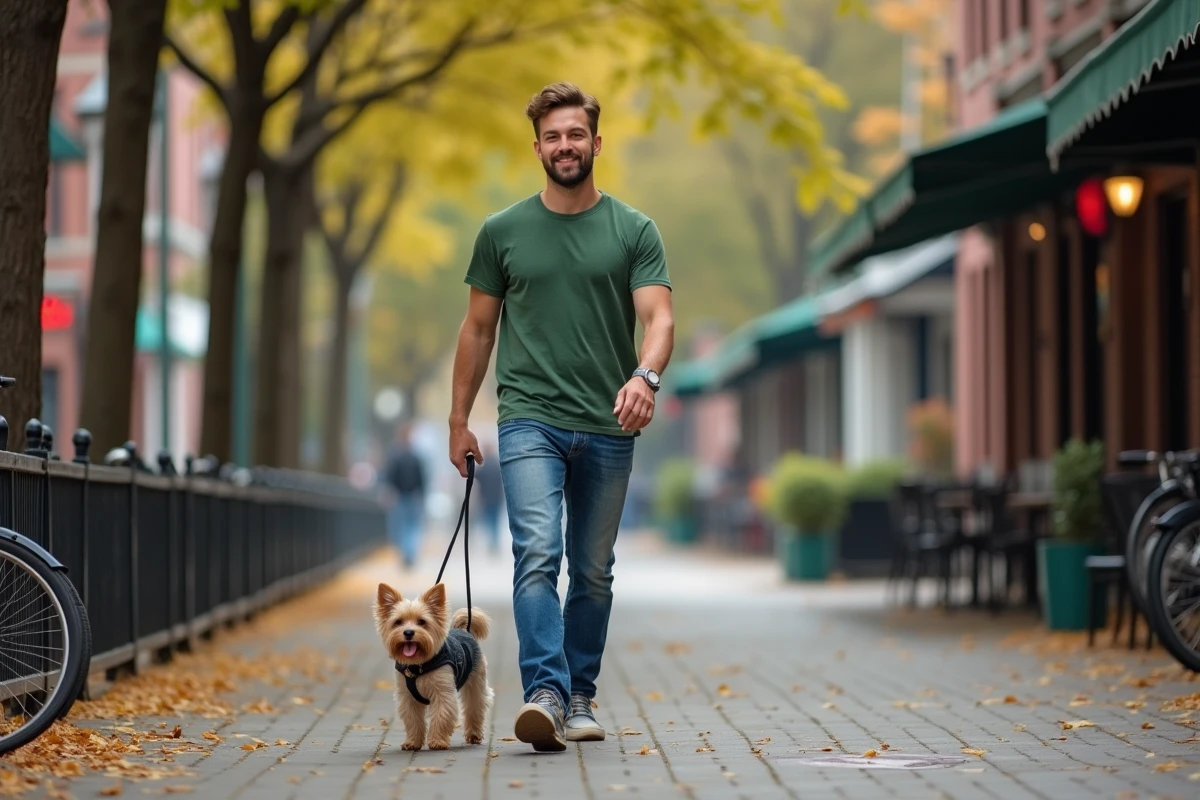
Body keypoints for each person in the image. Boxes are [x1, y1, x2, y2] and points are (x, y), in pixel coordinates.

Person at [446, 81, 674, 752]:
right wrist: (459, 420)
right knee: (537, 554)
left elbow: (658, 316)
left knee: (594, 569)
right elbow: (478, 330)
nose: (565, 145)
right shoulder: (502, 233)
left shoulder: (634, 229)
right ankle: (543, 690)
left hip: (608, 422)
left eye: (576, 134)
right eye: (553, 136)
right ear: (538, 146)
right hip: (528, 420)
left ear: (595, 143)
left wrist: (646, 375)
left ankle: (580, 695)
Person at [382, 422, 427, 569]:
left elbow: (389, 476)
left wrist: (389, 492)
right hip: (413, 496)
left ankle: (406, 554)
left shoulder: (394, 456)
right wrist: (421, 493)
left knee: (401, 526)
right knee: (412, 526)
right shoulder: (415, 457)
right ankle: (410, 553)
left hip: (400, 496)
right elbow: (422, 478)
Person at [473, 438, 506, 555]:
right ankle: (495, 543)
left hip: (486, 498)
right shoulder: (498, 466)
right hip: (497, 498)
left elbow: (474, 476)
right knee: (496, 521)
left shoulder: (483, 467)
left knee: (488, 521)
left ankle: (491, 543)